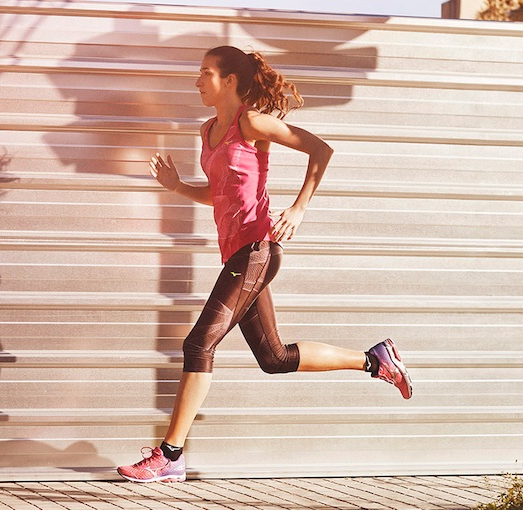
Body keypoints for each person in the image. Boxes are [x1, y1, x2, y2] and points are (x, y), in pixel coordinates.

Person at [117, 45, 412, 484]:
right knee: (274, 357)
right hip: (239, 256)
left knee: (198, 344)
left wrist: (299, 208)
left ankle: (170, 455)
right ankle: (374, 360)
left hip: (256, 251)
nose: (197, 81)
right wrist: (178, 187)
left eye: (205, 73)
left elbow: (320, 150)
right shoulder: (207, 131)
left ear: (229, 80)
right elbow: (220, 193)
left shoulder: (251, 122)